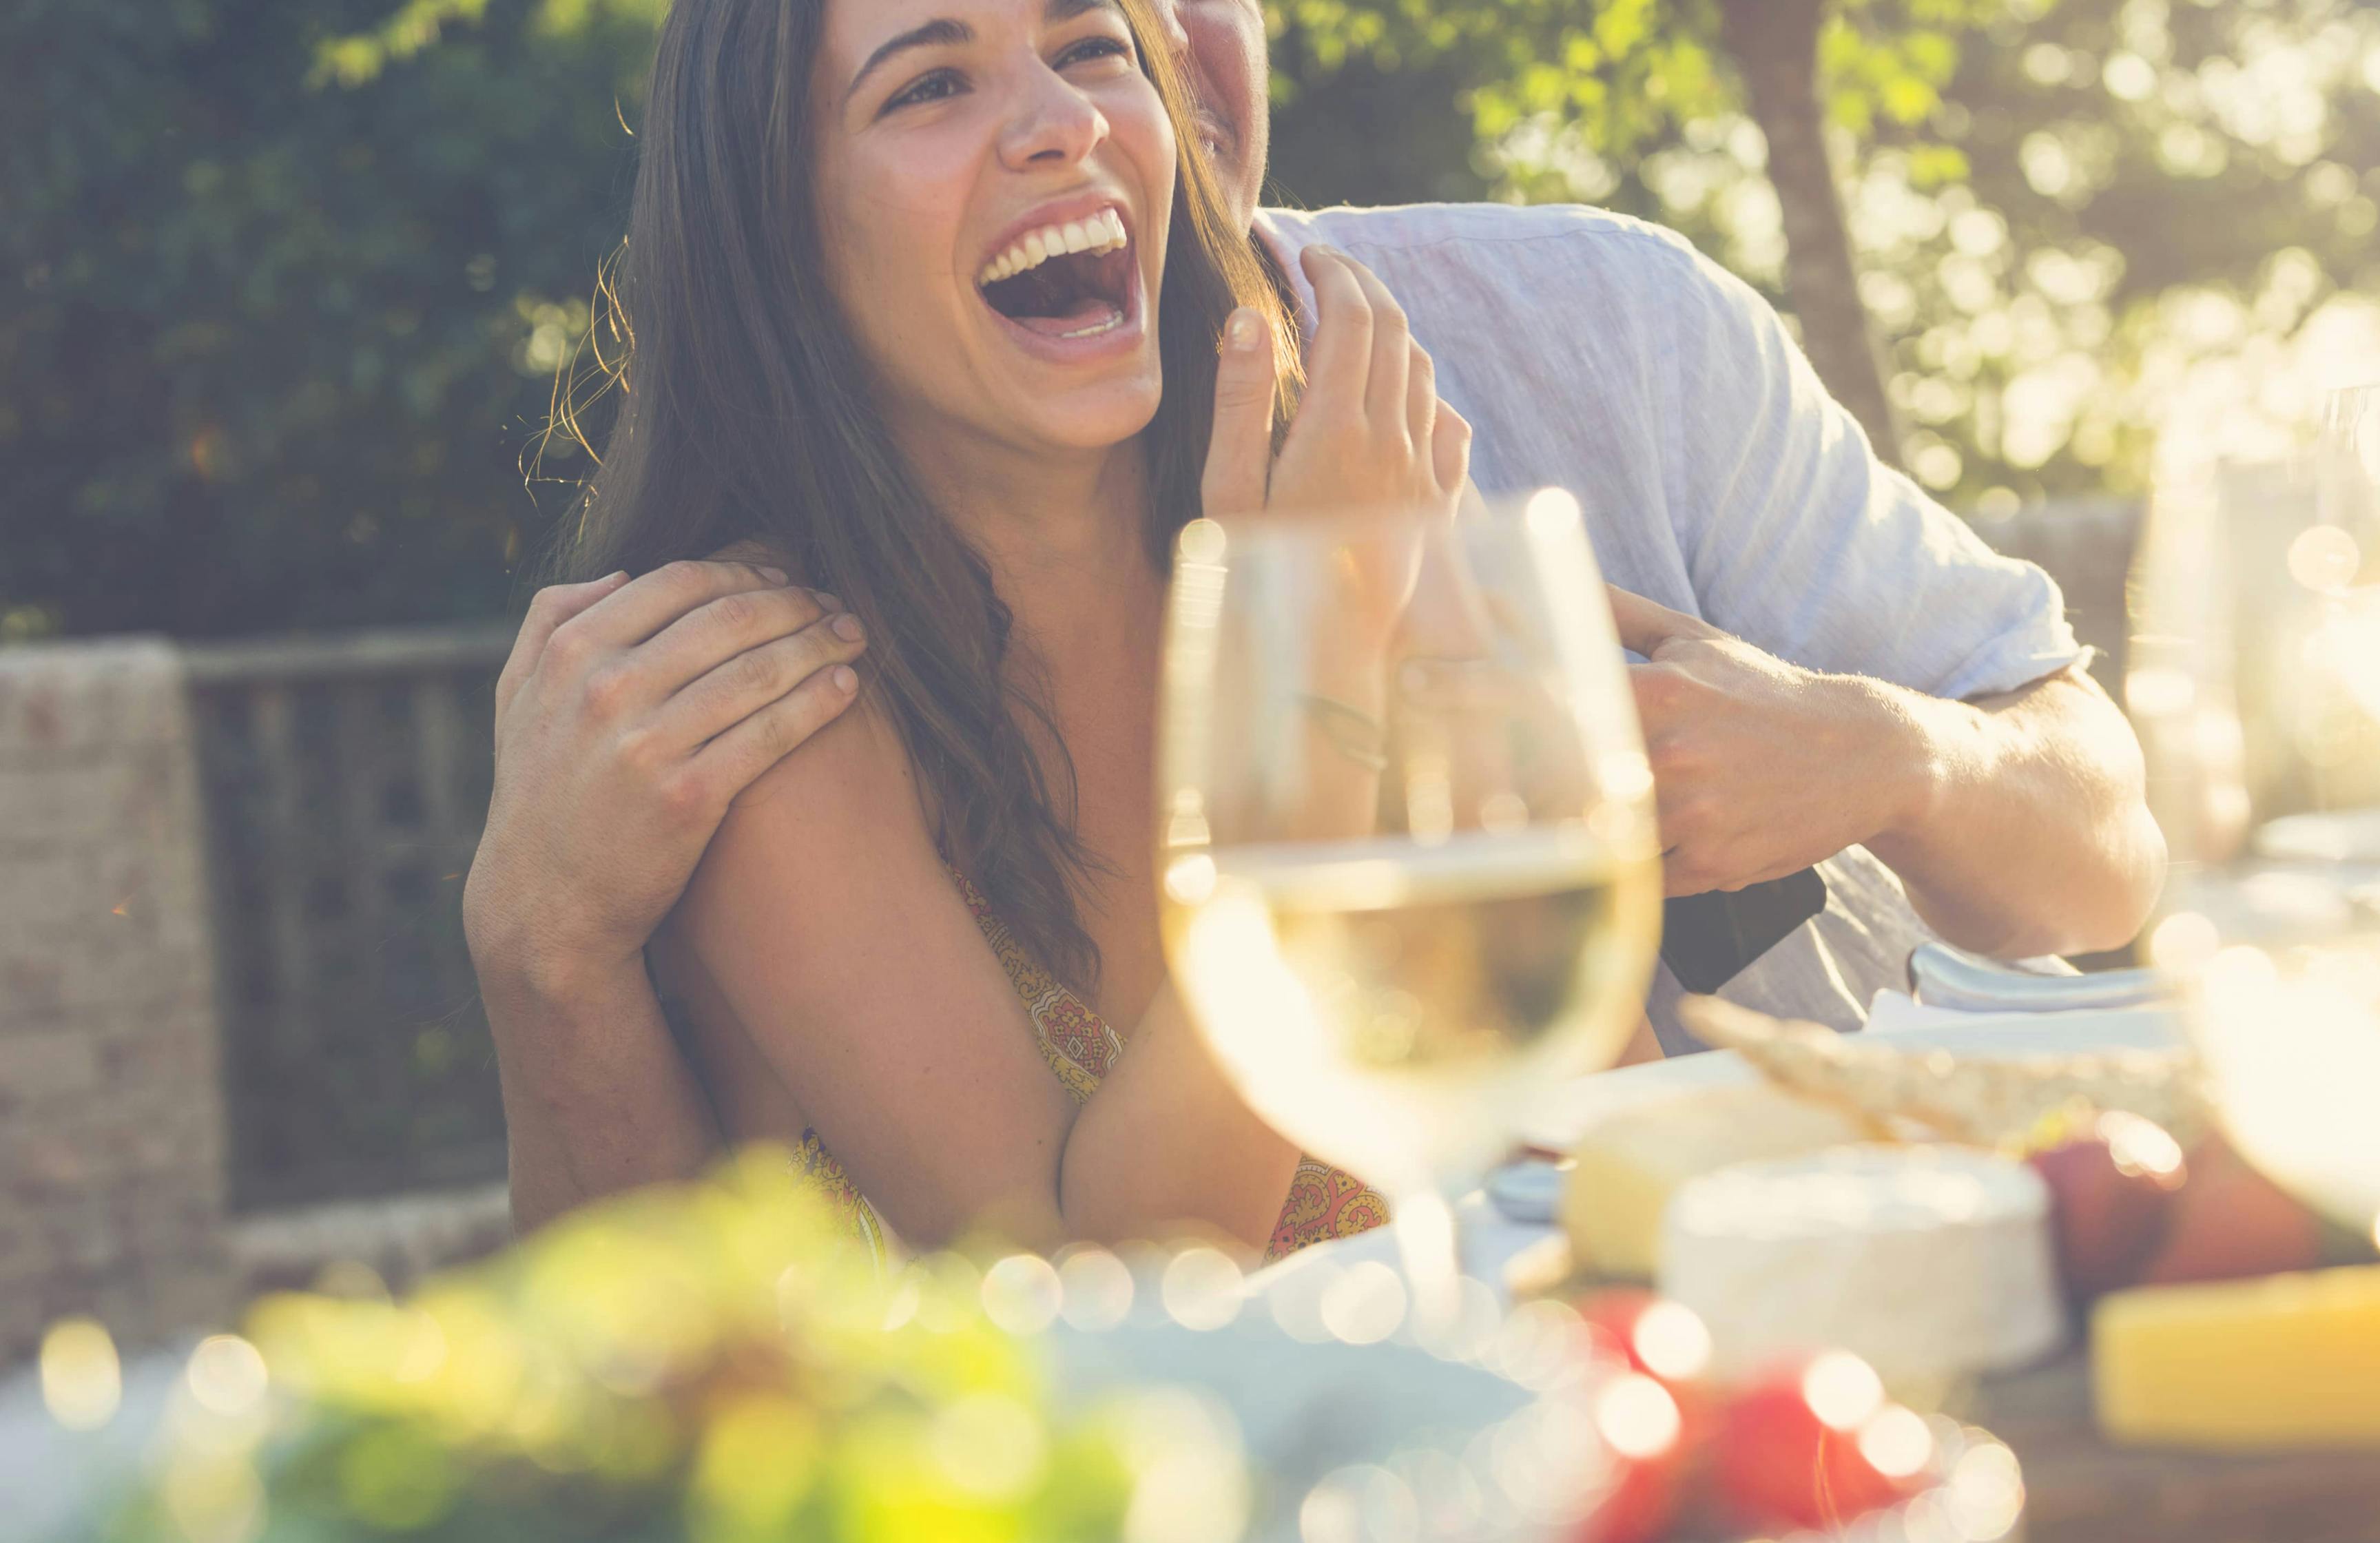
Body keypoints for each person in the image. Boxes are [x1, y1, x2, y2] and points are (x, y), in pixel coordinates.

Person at [466, 0, 2164, 1248]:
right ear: (783, 232)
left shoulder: (1368, 490)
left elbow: (1591, 1129)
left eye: (1092, 46)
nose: (1059, 119)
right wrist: (1323, 650)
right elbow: (1104, 1285)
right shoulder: (780, 698)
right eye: (929, 83)